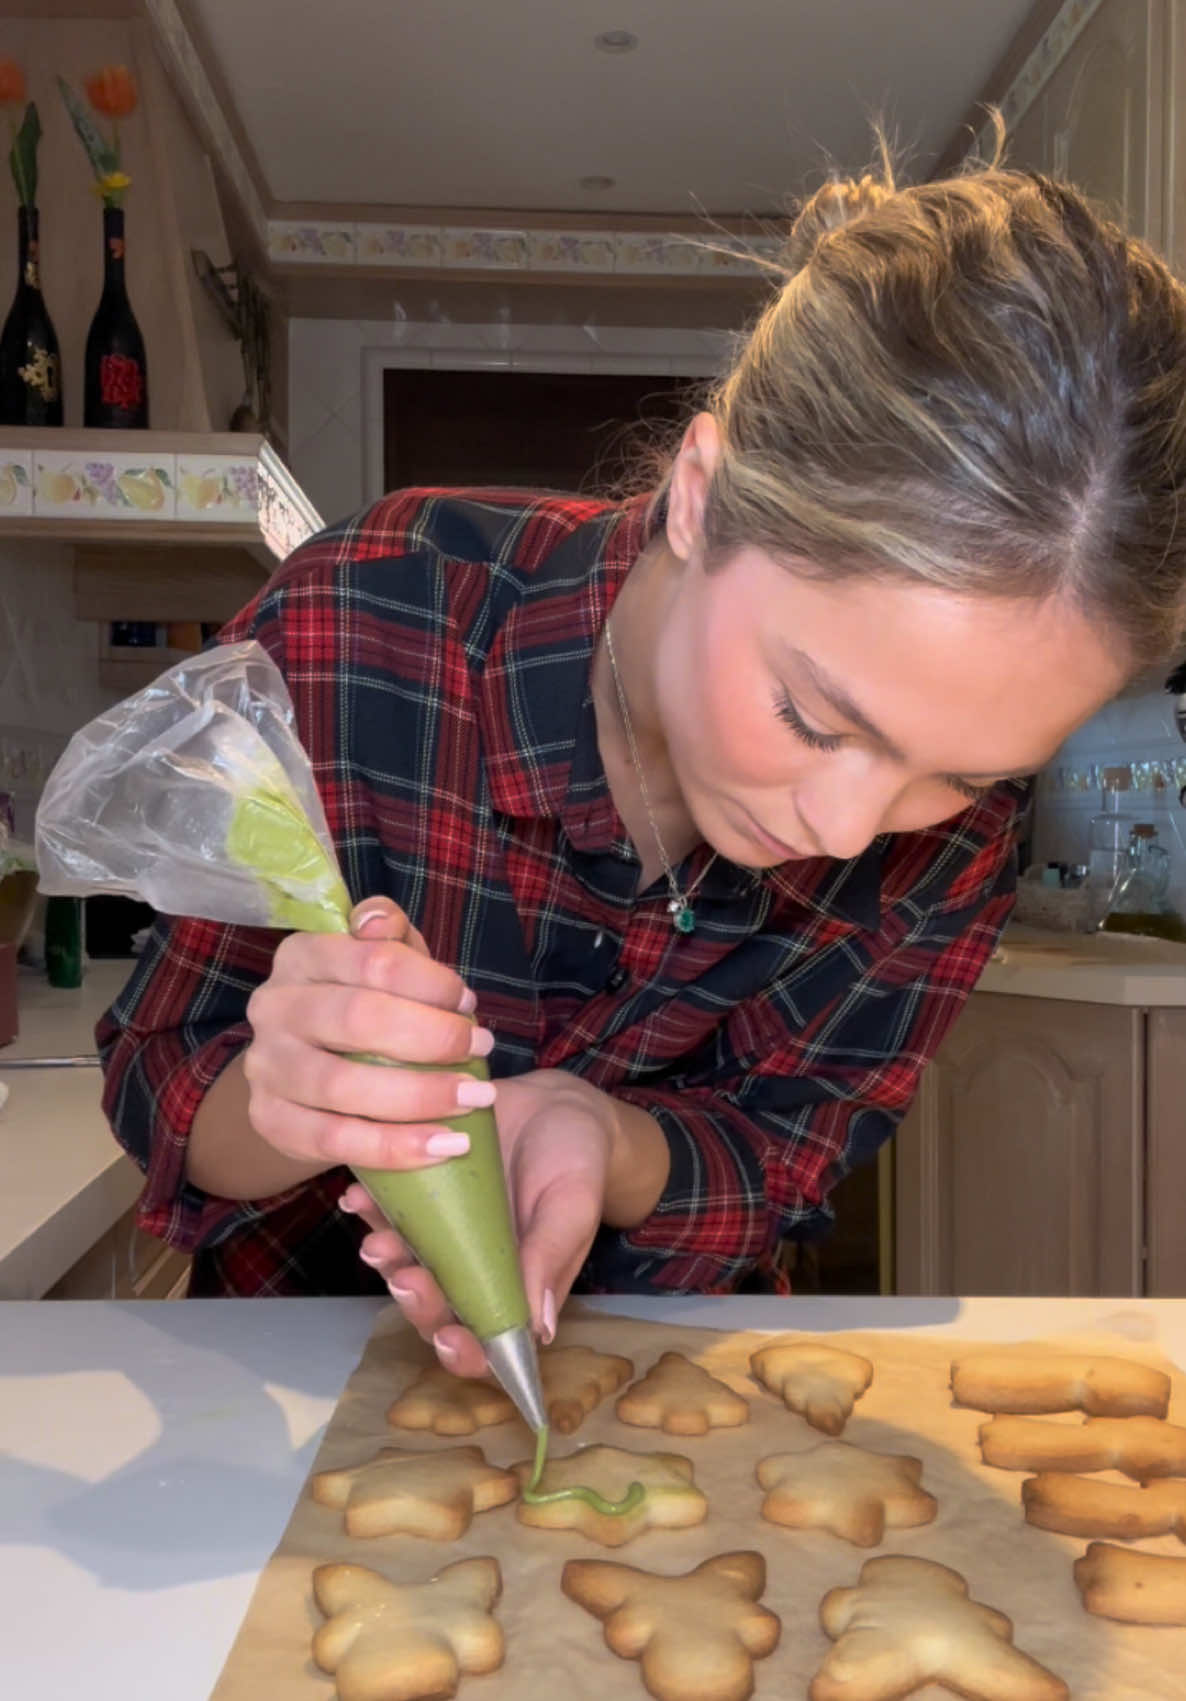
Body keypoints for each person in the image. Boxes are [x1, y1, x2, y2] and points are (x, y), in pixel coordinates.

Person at [99, 136, 1186, 1384]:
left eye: (959, 775)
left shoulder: (958, 838)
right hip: (274, 1412)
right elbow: (161, 1090)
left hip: (678, 1410)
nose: (847, 828)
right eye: (814, 718)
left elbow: (784, 1161)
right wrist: (291, 1098)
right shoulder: (368, 623)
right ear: (700, 495)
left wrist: (605, 1139)